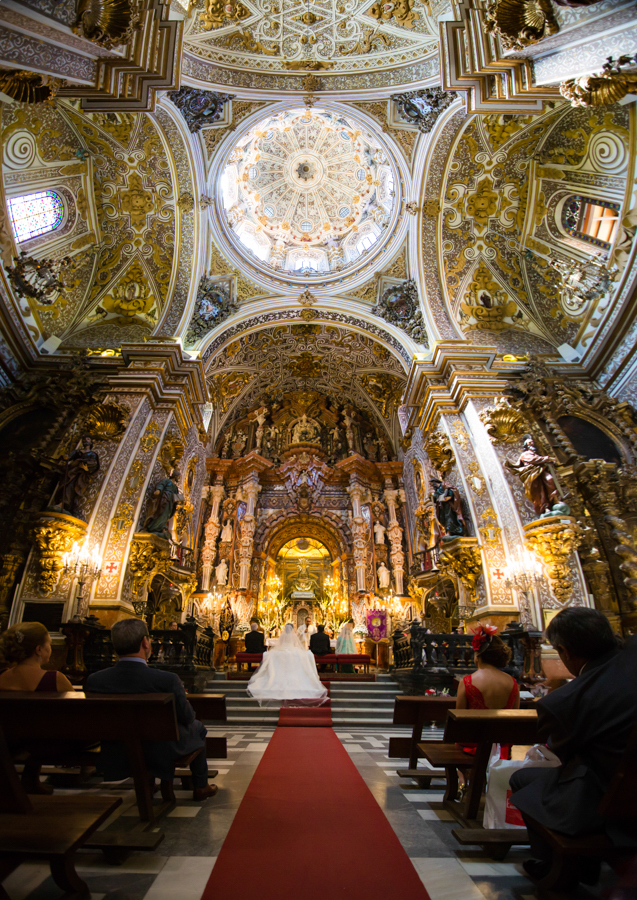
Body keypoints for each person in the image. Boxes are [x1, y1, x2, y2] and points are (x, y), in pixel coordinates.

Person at [510, 608, 637, 887]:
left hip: (613, 799)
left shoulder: (564, 702)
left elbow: (563, 758)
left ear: (564, 651)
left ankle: (560, 867)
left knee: (524, 779)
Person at [86, 618, 216, 802]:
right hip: (161, 749)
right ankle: (201, 785)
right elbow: (186, 717)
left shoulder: (95, 680)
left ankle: (150, 781)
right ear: (146, 643)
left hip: (116, 749)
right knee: (198, 727)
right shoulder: (166, 680)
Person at [0, 622, 75, 793]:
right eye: (48, 643)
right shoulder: (55, 678)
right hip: (47, 744)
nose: (50, 647)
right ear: (38, 650)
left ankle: (30, 779)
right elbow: (78, 713)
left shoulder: (2, 676)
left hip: (8, 741)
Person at [456, 624, 519, 757]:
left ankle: (462, 778)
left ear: (478, 653)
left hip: (472, 750)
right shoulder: (512, 682)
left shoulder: (467, 682)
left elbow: (459, 724)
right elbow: (513, 720)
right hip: (501, 750)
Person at [247, 623, 328, 706]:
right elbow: (296, 644)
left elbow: (280, 644)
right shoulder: (294, 636)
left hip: (282, 650)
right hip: (292, 650)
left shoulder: (282, 636)